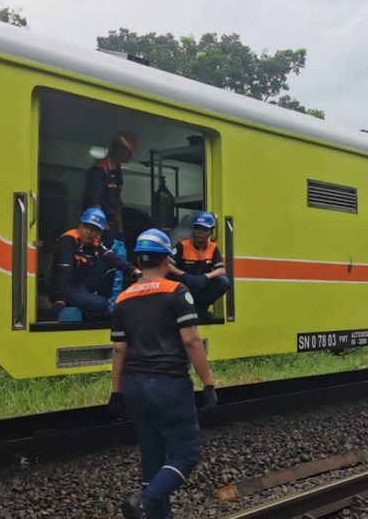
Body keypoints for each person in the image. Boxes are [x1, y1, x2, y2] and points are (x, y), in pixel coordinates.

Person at [110, 229, 218, 519]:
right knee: (186, 454)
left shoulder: (123, 298)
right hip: (168, 383)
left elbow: (119, 350)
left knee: (152, 454)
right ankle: (145, 501)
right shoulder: (176, 292)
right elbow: (191, 341)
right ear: (167, 259)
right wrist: (208, 383)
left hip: (134, 384)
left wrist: (116, 391)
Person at [49, 208, 140, 319]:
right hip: (65, 290)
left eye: (94, 229)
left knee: (108, 262)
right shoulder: (68, 240)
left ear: (99, 233)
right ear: (80, 226)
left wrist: (134, 271)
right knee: (102, 304)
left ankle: (94, 303)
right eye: (86, 227)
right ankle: (95, 307)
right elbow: (64, 270)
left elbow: (112, 258)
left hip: (81, 286)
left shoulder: (95, 244)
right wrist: (60, 299)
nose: (89, 232)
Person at [168, 212, 230, 319]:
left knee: (224, 282)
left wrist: (206, 277)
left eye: (204, 230)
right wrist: (184, 275)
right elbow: (167, 265)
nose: (200, 233)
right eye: (197, 229)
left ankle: (200, 309)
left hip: (201, 285)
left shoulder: (213, 248)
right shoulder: (182, 245)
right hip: (184, 285)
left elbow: (221, 270)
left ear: (211, 232)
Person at [84, 131, 138, 246]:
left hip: (112, 226)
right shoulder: (99, 170)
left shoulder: (117, 172)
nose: (130, 156)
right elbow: (94, 202)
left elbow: (117, 204)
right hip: (98, 227)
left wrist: (120, 232)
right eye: (129, 152)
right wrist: (105, 228)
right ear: (120, 150)